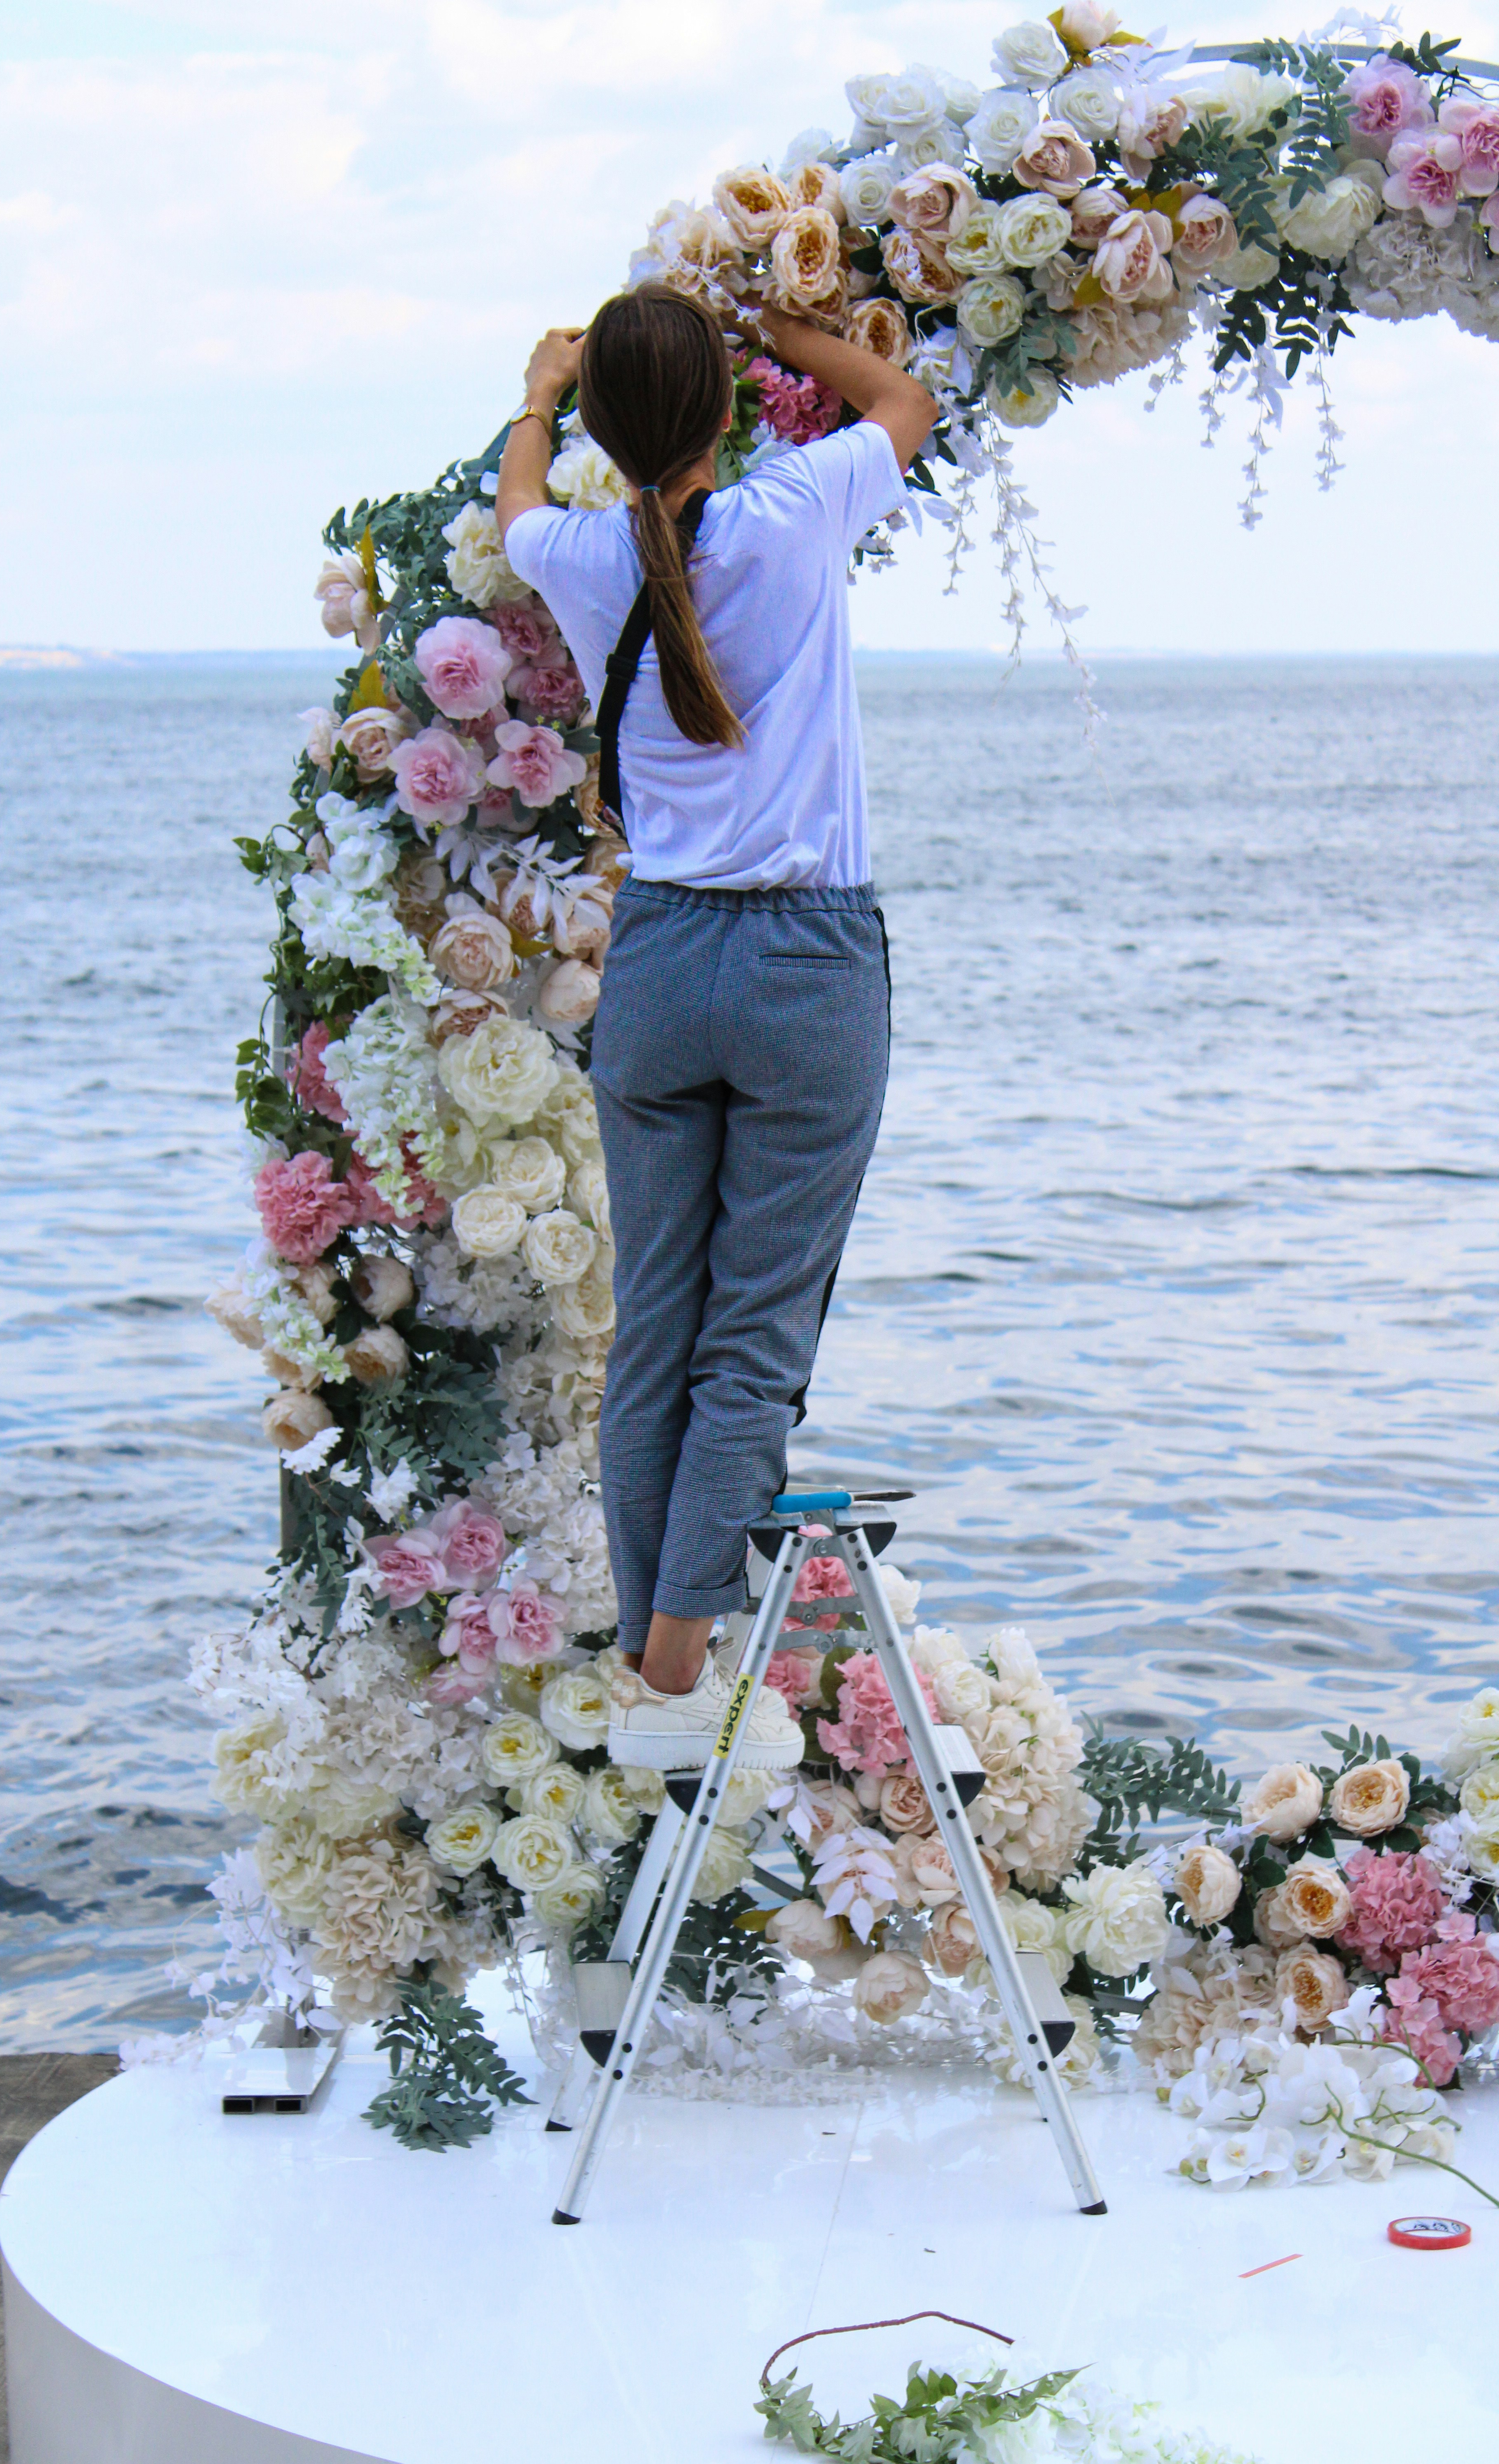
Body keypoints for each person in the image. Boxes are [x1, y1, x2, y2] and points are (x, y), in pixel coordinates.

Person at [497, 285, 936, 1772]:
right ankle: (685, 1624)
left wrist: (542, 393)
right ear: (730, 411)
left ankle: (645, 1620)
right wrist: (788, 334)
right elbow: (906, 404)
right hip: (808, 961)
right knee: (757, 1329)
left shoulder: (574, 550)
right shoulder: (790, 508)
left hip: (667, 963)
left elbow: (512, 506)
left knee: (656, 1332)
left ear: (607, 433)